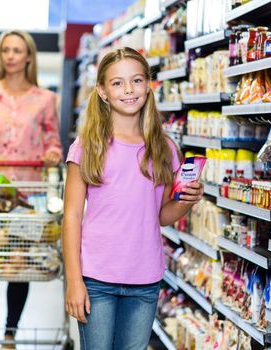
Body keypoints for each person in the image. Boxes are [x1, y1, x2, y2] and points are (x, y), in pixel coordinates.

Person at [62, 47, 204, 350]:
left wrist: (186, 201)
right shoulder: (88, 146)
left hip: (145, 277)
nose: (129, 90)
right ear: (101, 91)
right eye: (117, 83)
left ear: (149, 84)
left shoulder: (164, 147)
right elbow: (72, 216)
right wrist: (74, 281)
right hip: (96, 277)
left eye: (137, 80)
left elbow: (160, 215)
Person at [0, 29, 62, 347]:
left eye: (18, 50)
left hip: (28, 194)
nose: (11, 56)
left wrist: (52, 156)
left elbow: (54, 143)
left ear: (29, 57)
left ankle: (11, 330)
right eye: (5, 50)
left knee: (19, 262)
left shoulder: (45, 99)